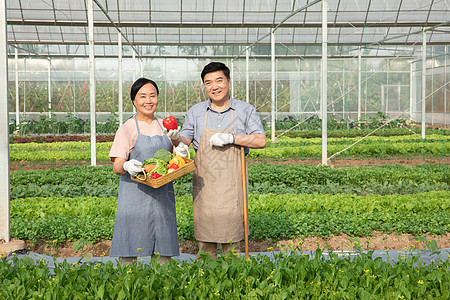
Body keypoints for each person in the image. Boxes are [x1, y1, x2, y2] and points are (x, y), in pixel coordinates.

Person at [169, 62, 266, 259]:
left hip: (232, 185)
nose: (214, 86)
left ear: (229, 82)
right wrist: (174, 138)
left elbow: (260, 140)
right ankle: (206, 281)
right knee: (206, 244)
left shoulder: (244, 110)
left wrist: (233, 138)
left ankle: (234, 280)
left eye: (219, 80)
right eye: (208, 82)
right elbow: (185, 141)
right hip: (206, 186)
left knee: (232, 243)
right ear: (204, 86)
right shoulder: (196, 112)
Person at [108, 78, 187, 265]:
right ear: (134, 101)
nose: (148, 101)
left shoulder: (165, 125)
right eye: (142, 96)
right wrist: (127, 166)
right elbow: (117, 166)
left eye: (152, 95)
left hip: (162, 195)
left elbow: (177, 157)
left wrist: (179, 146)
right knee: (129, 249)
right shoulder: (127, 128)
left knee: (163, 251)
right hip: (134, 196)